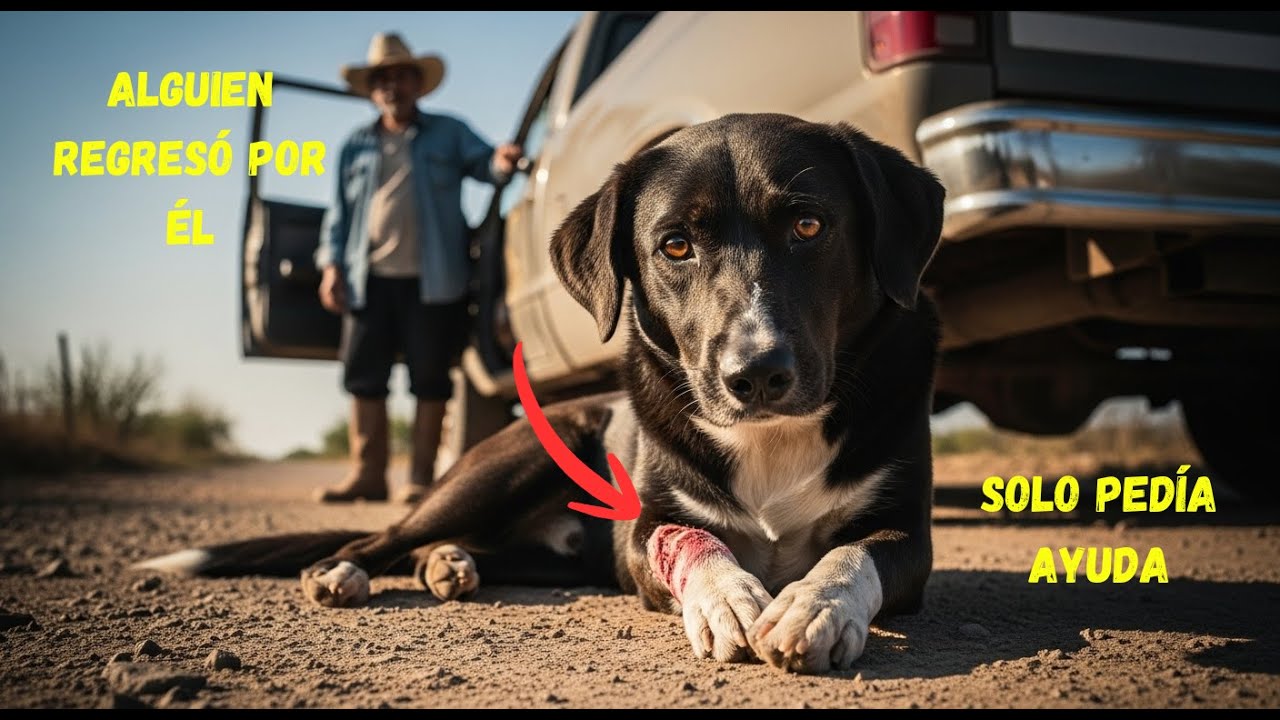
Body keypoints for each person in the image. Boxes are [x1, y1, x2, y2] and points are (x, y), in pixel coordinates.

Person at [314, 32, 522, 504]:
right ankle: (367, 475)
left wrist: (501, 160)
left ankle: (421, 479)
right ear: (372, 88)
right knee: (364, 376)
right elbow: (338, 216)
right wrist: (331, 267)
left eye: (402, 76)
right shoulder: (354, 147)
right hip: (369, 281)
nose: (393, 86)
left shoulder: (448, 133)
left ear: (417, 84)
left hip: (436, 279)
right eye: (383, 78)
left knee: (429, 377)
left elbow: (487, 164)